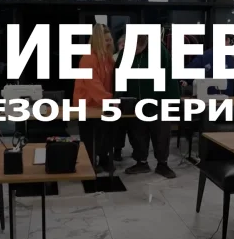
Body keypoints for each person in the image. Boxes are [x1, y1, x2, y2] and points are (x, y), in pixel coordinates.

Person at [116, 34, 179, 179]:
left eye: (137, 48)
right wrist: (118, 97)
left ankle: (162, 163)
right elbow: (119, 75)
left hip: (159, 101)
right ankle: (141, 162)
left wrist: (171, 100)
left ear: (145, 44)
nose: (134, 51)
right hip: (135, 102)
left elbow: (169, 74)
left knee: (161, 134)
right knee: (137, 133)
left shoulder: (159, 51)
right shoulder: (125, 53)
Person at [73, 24, 116, 173]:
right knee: (90, 137)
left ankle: (103, 159)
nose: (109, 43)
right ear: (98, 41)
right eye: (106, 40)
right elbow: (93, 84)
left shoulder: (107, 59)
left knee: (104, 134)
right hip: (86, 105)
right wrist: (110, 99)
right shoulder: (88, 59)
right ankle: (90, 163)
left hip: (101, 104)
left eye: (110, 39)